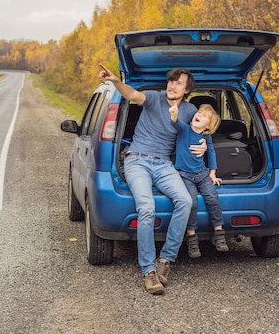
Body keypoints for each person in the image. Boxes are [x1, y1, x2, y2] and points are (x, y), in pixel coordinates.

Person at [98, 63, 206, 295]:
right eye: (171, 81)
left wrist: (205, 143)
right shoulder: (154, 99)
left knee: (185, 201)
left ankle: (165, 261)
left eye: (179, 83)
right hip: (137, 160)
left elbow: (204, 127)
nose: (172, 86)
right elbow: (131, 94)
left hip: (164, 164)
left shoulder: (188, 111)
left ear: (187, 90)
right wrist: (115, 81)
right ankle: (148, 271)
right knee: (147, 207)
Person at [169, 103, 229, 258]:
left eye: (204, 116)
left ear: (208, 127)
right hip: (184, 175)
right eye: (199, 112)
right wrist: (174, 114)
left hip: (202, 174)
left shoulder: (206, 137)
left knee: (212, 198)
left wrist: (213, 173)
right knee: (192, 202)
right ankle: (192, 237)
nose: (199, 115)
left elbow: (211, 153)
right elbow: (175, 122)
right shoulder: (184, 130)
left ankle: (219, 233)